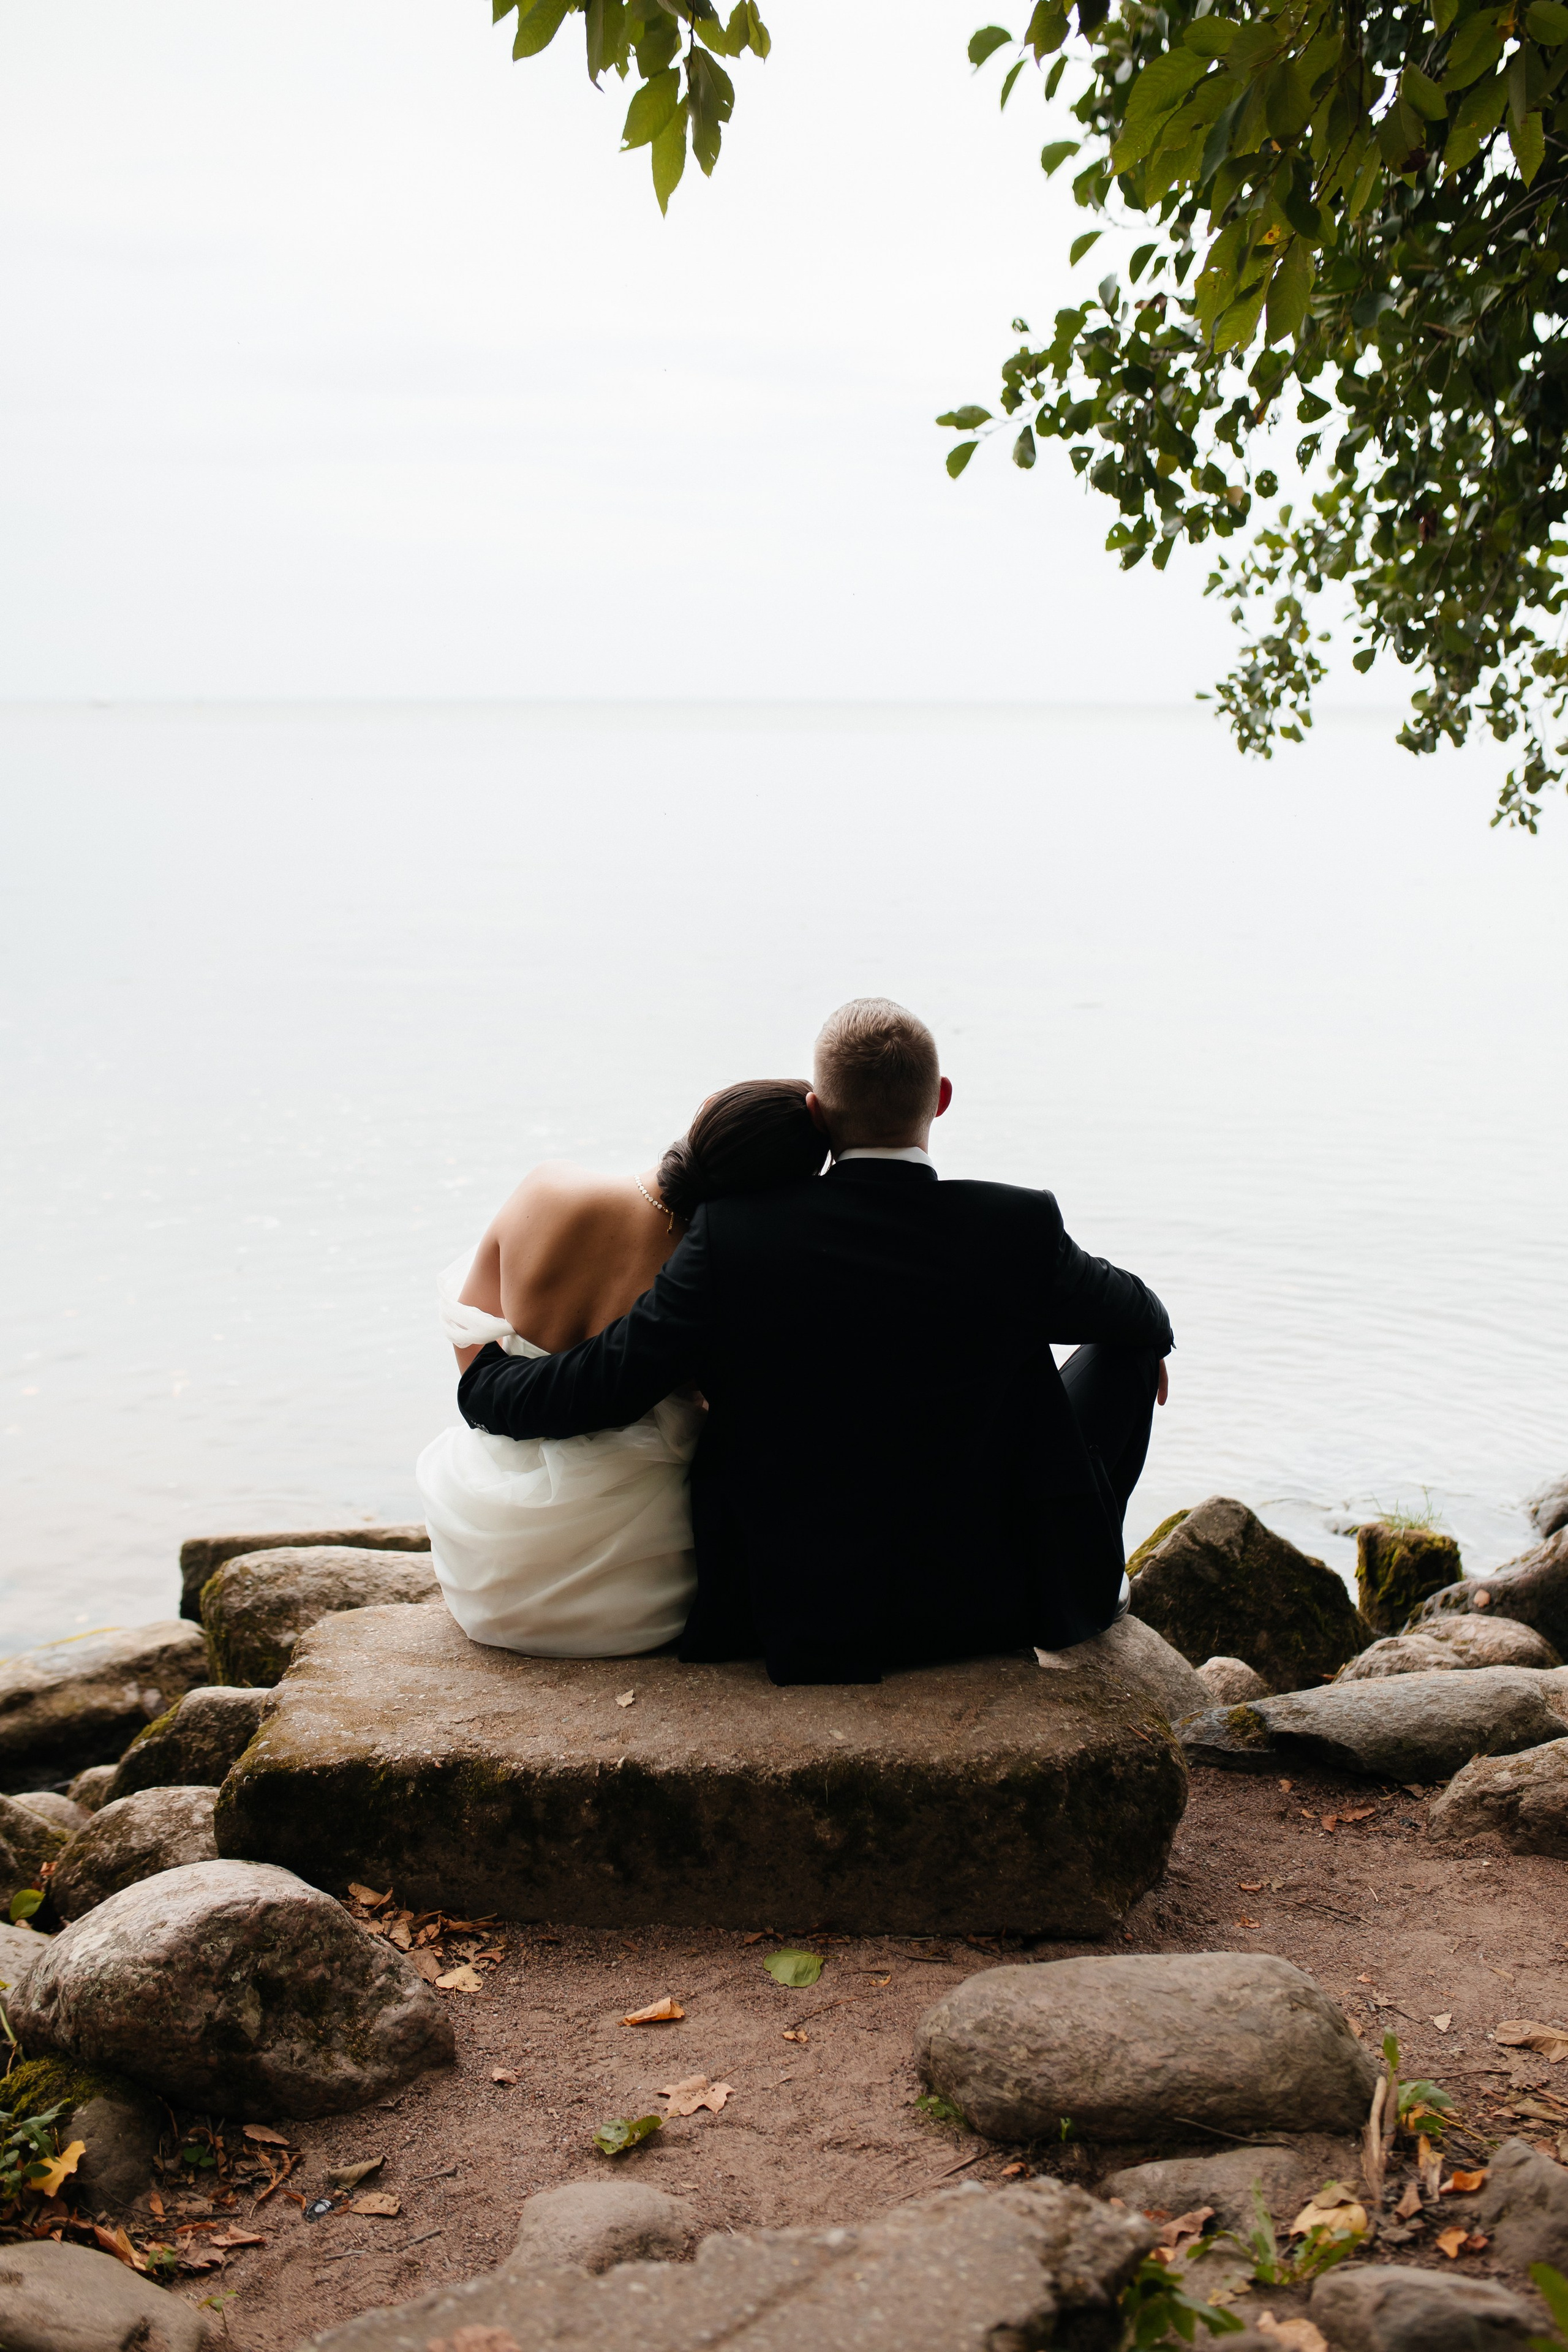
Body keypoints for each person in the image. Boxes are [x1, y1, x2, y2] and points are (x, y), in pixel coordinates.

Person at [458, 997, 1173, 1685]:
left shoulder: (734, 1240)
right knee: (1128, 1349)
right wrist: (1141, 1346)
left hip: (802, 1621)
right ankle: (1089, 1576)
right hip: (993, 1603)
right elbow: (1145, 1313)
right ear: (942, 1097)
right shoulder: (1016, 1225)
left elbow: (598, 1387)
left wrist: (485, 1377)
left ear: (817, 1112)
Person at [416, 1080, 826, 1656]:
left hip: (490, 1559)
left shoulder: (550, 1188)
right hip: (639, 1582)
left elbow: (467, 1329)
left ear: (705, 1108)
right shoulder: (716, 1269)